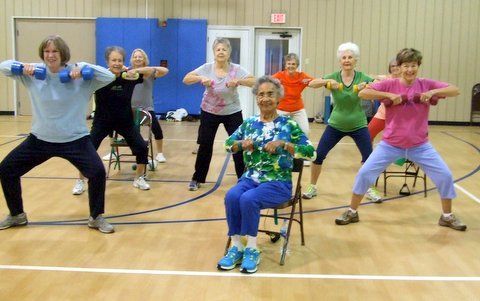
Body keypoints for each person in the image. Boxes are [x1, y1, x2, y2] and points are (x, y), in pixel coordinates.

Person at [334, 48, 466, 231]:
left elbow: (455, 90)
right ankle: (352, 211)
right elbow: (363, 93)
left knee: (445, 176)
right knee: (364, 174)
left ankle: (447, 216)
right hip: (390, 145)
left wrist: (432, 92)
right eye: (406, 66)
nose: (409, 70)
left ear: (418, 66)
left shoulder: (425, 84)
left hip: (420, 146)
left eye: (413, 66)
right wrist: (388, 96)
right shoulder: (390, 84)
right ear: (399, 67)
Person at [0, 35, 115, 233]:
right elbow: (4, 66)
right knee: (6, 169)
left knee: (97, 173)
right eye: (47, 51)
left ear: (63, 54)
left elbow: (109, 76)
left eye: (55, 51)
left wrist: (83, 65)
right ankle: (17, 215)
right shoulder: (33, 75)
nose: (50, 55)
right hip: (40, 139)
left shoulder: (82, 78)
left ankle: (96, 217)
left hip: (75, 140)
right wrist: (24, 65)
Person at [217, 76, 316, 274]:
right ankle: (237, 246)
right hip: (250, 178)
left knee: (248, 199)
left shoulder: (289, 125)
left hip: (278, 183)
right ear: (256, 99)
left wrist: (285, 144)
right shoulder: (250, 123)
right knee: (232, 196)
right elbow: (227, 145)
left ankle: (252, 248)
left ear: (278, 97)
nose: (265, 98)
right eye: (261, 94)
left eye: (270, 94)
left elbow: (311, 153)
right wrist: (240, 144)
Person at [302, 42, 382, 202]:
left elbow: (379, 85)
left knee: (369, 158)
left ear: (355, 60)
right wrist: (327, 82)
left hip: (358, 125)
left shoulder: (361, 77)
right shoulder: (334, 76)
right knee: (318, 156)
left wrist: (367, 85)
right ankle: (312, 186)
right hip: (336, 125)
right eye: (344, 57)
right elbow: (311, 83)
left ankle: (371, 188)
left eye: (350, 57)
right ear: (340, 60)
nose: (347, 60)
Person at [72, 46, 151, 195]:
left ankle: (139, 178)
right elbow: (79, 69)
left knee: (141, 146)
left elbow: (152, 72)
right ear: (107, 61)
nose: (116, 63)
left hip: (125, 121)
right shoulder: (100, 76)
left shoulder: (129, 76)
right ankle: (81, 181)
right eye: (113, 60)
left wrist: (135, 70)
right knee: (87, 149)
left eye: (119, 60)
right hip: (103, 121)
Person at [183, 37, 255, 191]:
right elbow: (186, 79)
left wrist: (238, 81)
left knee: (238, 145)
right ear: (214, 52)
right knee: (205, 145)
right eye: (218, 49)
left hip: (232, 111)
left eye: (224, 49)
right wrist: (200, 78)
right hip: (209, 111)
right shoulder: (207, 68)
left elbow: (253, 81)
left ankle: (243, 179)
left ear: (229, 53)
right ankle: (197, 178)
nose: (221, 52)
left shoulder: (236, 69)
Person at [101, 49, 169, 163]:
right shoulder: (127, 71)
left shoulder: (149, 71)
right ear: (132, 59)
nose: (137, 58)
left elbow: (165, 70)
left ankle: (160, 154)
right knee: (113, 126)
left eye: (140, 57)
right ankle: (113, 151)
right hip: (128, 108)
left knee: (156, 129)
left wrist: (138, 70)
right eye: (135, 56)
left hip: (146, 107)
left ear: (144, 59)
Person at [272, 53, 324, 166]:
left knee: (304, 131)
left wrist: (325, 81)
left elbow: (315, 83)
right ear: (285, 65)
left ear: (297, 65)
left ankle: (305, 155)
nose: (291, 66)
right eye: (289, 64)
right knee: (278, 132)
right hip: (281, 109)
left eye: (293, 64)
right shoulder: (279, 76)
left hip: (297, 109)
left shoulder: (301, 76)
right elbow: (267, 83)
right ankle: (277, 155)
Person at [367, 59, 402, 142]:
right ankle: (369, 154)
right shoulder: (385, 79)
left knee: (400, 140)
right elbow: (370, 78)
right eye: (393, 66)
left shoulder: (405, 80)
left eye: (397, 65)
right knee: (367, 135)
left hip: (400, 117)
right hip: (383, 114)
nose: (395, 68)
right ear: (390, 68)